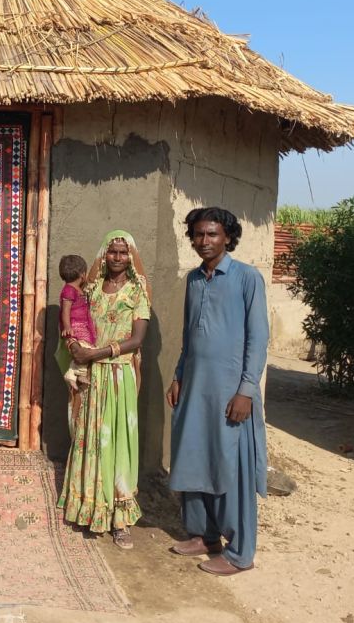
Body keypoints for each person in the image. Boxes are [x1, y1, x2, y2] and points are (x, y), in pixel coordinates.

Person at [165, 207, 269, 576]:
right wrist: (178, 375)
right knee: (194, 456)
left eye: (212, 235)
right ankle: (204, 535)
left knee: (230, 466)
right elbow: (189, 336)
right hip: (195, 387)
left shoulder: (246, 278)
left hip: (230, 392)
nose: (204, 242)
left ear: (227, 237)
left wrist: (245, 390)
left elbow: (258, 340)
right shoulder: (193, 280)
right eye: (198, 235)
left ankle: (240, 552)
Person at [58, 231, 151, 549]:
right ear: (104, 254)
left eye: (123, 253)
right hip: (91, 377)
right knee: (91, 439)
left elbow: (137, 340)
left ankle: (118, 519)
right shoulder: (91, 288)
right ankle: (88, 507)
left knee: (117, 444)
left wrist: (95, 353)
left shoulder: (137, 291)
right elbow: (72, 318)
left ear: (131, 256)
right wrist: (72, 343)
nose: (117, 258)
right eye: (112, 252)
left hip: (118, 376)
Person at [55, 254, 97, 432]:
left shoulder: (79, 290)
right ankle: (73, 373)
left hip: (84, 326)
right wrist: (67, 328)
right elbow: (65, 311)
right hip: (76, 326)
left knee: (89, 349)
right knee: (85, 350)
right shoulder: (69, 291)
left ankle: (79, 373)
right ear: (82, 273)